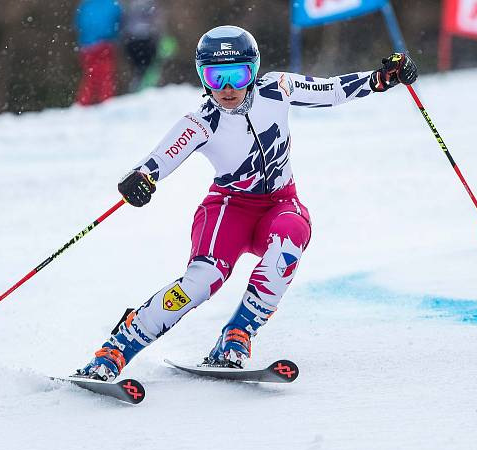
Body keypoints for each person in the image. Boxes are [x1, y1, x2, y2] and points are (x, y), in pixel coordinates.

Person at [75, 25, 418, 381]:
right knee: (202, 281)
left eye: (237, 75)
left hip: (279, 204)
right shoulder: (200, 122)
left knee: (291, 237)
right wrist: (140, 179)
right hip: (228, 210)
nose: (227, 87)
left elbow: (330, 90)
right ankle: (115, 349)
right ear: (202, 77)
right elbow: (159, 159)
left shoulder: (278, 89)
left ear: (253, 71)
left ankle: (236, 336)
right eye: (215, 75)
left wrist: (381, 78)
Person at [75, 0, 123, 105]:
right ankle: (106, 102)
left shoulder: (86, 5)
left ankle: (84, 103)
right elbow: (117, 22)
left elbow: (78, 23)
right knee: (106, 75)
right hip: (104, 45)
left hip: (86, 46)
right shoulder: (111, 4)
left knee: (91, 76)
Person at [122, 0, 162, 91]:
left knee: (138, 69)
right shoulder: (150, 4)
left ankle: (138, 86)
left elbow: (124, 21)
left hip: (133, 40)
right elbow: (156, 20)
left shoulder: (130, 4)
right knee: (147, 68)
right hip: (146, 39)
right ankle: (145, 88)